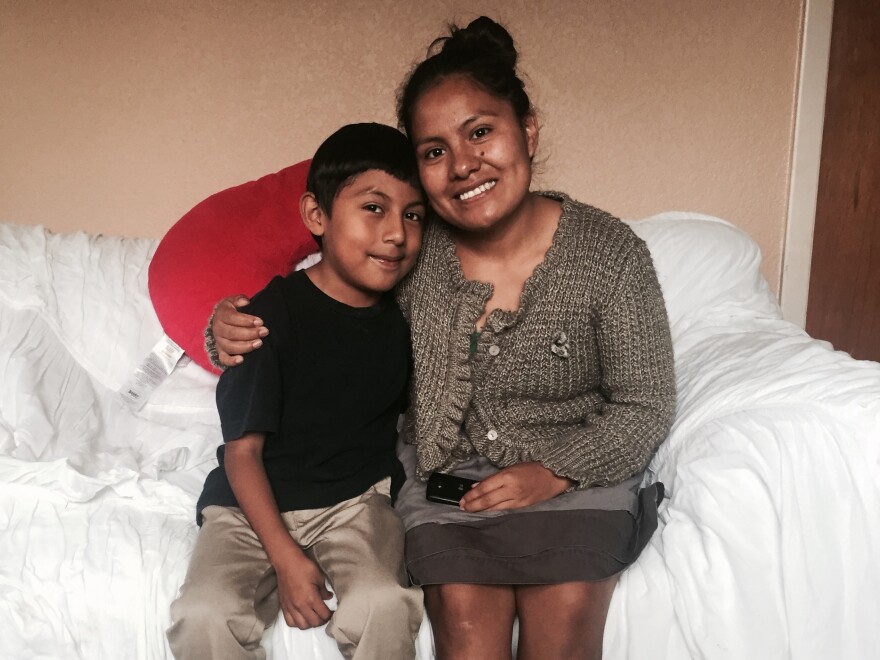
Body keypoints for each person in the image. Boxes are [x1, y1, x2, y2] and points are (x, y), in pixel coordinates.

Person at [210, 17, 676, 660]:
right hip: (449, 483)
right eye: (434, 151)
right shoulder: (409, 254)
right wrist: (227, 329)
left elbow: (644, 403)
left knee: (565, 620)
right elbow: (316, 307)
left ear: (528, 132)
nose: (462, 165)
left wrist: (556, 472)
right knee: (460, 619)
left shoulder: (609, 252)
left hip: (579, 473)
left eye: (481, 132)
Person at [167, 123, 426, 660]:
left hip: (357, 500)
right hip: (250, 501)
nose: (397, 232)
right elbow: (242, 452)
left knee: (383, 604)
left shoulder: (410, 320)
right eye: (374, 208)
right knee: (203, 616)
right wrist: (286, 560)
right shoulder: (266, 317)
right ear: (317, 216)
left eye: (413, 214)